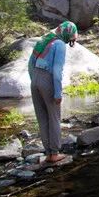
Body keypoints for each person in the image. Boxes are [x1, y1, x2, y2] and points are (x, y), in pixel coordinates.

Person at [28, 21, 78, 164]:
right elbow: (57, 71)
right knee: (54, 117)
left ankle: (48, 152)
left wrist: (34, 81)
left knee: (42, 118)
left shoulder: (44, 40)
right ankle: (54, 153)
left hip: (35, 80)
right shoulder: (60, 45)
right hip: (47, 80)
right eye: (71, 39)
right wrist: (58, 93)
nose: (70, 41)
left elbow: (30, 64)